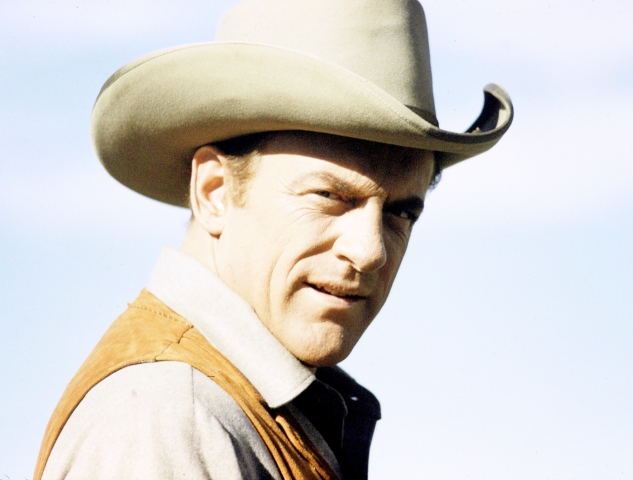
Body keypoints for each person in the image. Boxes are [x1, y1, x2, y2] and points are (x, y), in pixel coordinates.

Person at [34, 0, 513, 479]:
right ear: (214, 192)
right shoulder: (170, 421)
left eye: (401, 213)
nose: (371, 251)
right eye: (330, 196)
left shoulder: (218, 409)